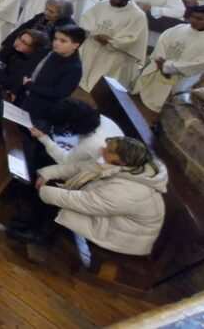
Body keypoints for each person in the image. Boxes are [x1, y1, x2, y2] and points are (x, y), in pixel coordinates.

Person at [28, 137, 167, 256]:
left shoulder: (130, 191)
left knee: (60, 208)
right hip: (109, 216)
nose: (102, 149)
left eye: (109, 150)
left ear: (123, 161)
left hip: (123, 237)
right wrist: (47, 173)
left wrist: (45, 192)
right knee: (55, 195)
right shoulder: (125, 167)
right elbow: (77, 168)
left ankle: (37, 239)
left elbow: (86, 203)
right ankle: (33, 229)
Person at [132, 6, 204, 113]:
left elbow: (201, 64)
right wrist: (160, 60)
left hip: (185, 78)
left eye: (199, 19)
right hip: (159, 68)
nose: (193, 21)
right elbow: (163, 40)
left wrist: (167, 67)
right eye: (192, 17)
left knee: (168, 108)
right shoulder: (180, 28)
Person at [77, 0, 148, 92]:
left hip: (114, 50)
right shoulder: (103, 4)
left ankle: (99, 89)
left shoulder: (138, 15)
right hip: (94, 42)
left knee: (102, 78)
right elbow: (87, 18)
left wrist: (111, 41)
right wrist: (94, 32)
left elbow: (132, 38)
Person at [29, 99, 124, 168]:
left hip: (93, 170)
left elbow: (65, 160)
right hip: (94, 155)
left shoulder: (93, 144)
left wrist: (43, 138)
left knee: (41, 154)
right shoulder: (100, 118)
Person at [19, 26, 85, 125]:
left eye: (63, 41)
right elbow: (35, 69)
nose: (56, 43)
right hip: (28, 98)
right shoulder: (53, 53)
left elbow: (59, 93)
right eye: (55, 39)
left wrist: (31, 86)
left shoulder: (74, 68)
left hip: (43, 112)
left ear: (75, 45)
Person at [0, 29, 50, 102]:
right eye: (20, 39)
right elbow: (1, 57)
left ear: (34, 48)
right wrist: (13, 44)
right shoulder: (18, 53)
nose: (19, 42)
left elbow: (15, 81)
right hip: (4, 82)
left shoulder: (32, 64)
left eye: (24, 43)